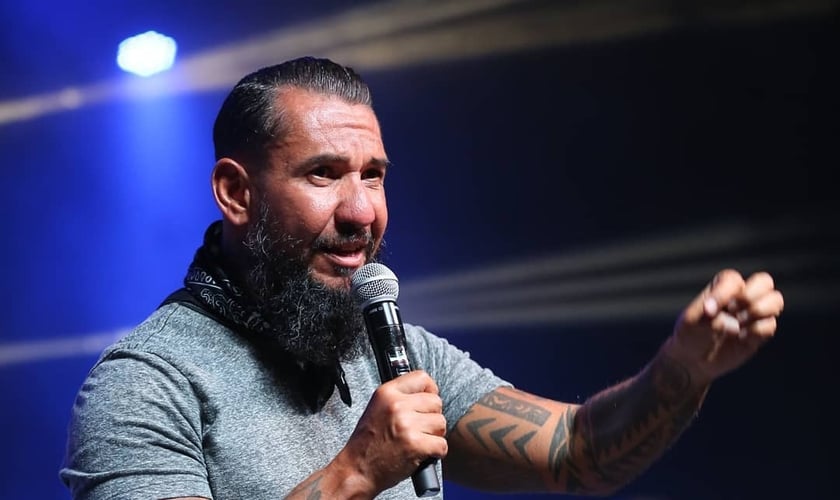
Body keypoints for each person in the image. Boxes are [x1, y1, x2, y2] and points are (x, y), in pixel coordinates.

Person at [59, 56, 784, 499]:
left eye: (373, 176)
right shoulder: (146, 383)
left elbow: (579, 453)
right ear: (237, 193)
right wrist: (356, 473)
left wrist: (681, 372)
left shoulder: (392, 347)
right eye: (323, 174)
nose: (361, 210)